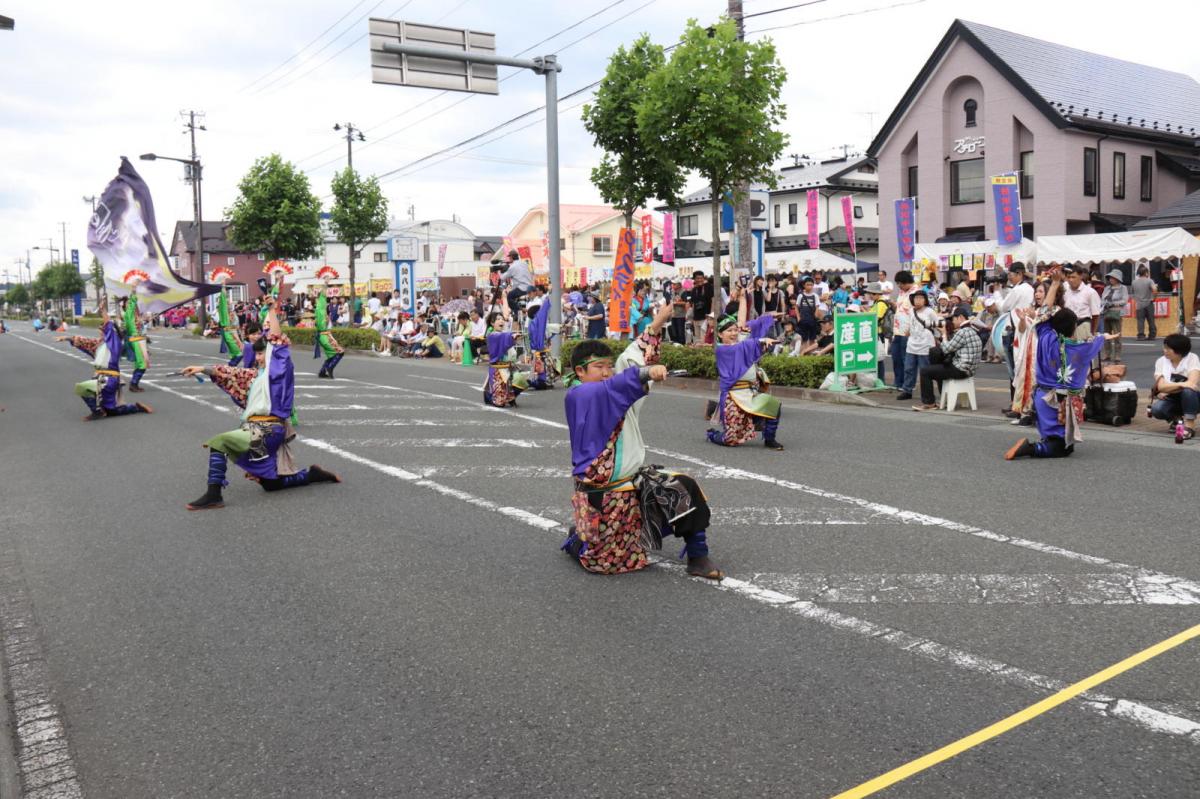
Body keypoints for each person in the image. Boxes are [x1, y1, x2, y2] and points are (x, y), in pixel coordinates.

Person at [559, 303, 723, 580]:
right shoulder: (579, 396)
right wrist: (645, 373)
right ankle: (580, 538)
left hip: (632, 483)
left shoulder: (613, 388)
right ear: (580, 371)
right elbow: (619, 383)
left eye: (609, 367)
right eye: (599, 367)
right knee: (605, 563)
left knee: (683, 486)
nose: (607, 372)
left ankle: (698, 555)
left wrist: (657, 323)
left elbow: (629, 361)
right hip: (603, 495)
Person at [180, 298, 340, 510]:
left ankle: (214, 494)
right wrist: (202, 368)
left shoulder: (279, 372)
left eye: (261, 352)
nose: (258, 357)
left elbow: (276, 340)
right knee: (271, 485)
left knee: (219, 443)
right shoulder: (256, 376)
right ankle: (310, 475)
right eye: (255, 353)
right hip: (255, 429)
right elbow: (231, 372)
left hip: (268, 430)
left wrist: (272, 310)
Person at [1004, 271, 1116, 459]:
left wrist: (1055, 284)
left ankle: (1042, 443)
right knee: (1062, 446)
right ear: (1072, 327)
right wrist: (1103, 337)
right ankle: (1031, 449)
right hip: (1058, 401)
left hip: (1040, 396)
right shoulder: (1075, 348)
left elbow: (1044, 312)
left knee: (1055, 437)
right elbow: (1092, 343)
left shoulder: (1046, 335)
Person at [707, 294, 784, 450]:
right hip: (733, 397)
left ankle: (769, 439)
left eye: (735, 330)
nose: (734, 333)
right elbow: (743, 346)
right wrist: (761, 341)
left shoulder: (741, 342)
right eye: (729, 331)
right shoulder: (722, 350)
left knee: (773, 407)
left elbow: (743, 323)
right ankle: (713, 434)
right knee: (731, 440)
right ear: (720, 334)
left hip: (751, 393)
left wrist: (744, 299)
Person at [56, 296, 152, 420]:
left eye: (102, 329)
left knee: (83, 388)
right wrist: (67, 338)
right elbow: (84, 342)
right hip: (100, 377)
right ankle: (135, 408)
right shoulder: (99, 345)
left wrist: (103, 310)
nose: (100, 331)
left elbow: (108, 324)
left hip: (109, 379)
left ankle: (97, 412)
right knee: (111, 410)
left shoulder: (114, 343)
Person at [912, 306, 983, 411]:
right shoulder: (972, 330)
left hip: (961, 369)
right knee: (937, 360)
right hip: (969, 369)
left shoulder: (963, 332)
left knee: (925, 371)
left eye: (953, 319)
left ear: (960, 317)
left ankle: (929, 403)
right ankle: (944, 398)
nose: (952, 322)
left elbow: (946, 349)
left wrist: (944, 334)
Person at [1148, 333, 1200, 441]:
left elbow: (1192, 384)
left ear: (1179, 351)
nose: (1165, 351)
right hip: (1172, 398)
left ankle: (1189, 426)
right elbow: (1161, 386)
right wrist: (1181, 384)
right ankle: (1176, 419)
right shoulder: (1161, 361)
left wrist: (1169, 388)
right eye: (1164, 347)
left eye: (1168, 349)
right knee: (1157, 409)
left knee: (1188, 391)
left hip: (1193, 398)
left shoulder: (1192, 358)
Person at [997, 263, 1034, 414]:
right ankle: (1019, 404)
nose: (1009, 277)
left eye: (1011, 274)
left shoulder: (1018, 289)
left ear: (1019, 273)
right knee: (1022, 368)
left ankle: (1015, 405)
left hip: (1014, 331)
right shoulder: (1029, 289)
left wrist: (997, 294)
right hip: (1025, 330)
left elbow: (1004, 307)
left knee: (1014, 370)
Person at [896, 288, 937, 401]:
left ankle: (926, 393)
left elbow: (938, 324)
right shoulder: (911, 311)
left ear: (925, 300)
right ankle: (907, 390)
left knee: (925, 370)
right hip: (912, 344)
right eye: (916, 298)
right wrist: (907, 331)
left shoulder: (930, 311)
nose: (918, 300)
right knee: (909, 368)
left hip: (925, 345)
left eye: (921, 298)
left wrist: (938, 337)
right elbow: (909, 323)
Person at [483, 307, 528, 407]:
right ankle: (494, 397)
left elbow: (506, 338)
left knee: (521, 380)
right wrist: (512, 336)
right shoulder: (492, 336)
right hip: (497, 370)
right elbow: (502, 337)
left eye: (502, 319)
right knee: (499, 403)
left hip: (508, 367)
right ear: (492, 323)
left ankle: (510, 397)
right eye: (498, 319)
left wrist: (514, 336)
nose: (501, 321)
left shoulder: (503, 334)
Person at [313, 277, 346, 379]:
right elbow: (323, 293)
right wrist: (326, 283)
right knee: (340, 352)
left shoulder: (320, 307)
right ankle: (329, 368)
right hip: (324, 335)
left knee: (332, 354)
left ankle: (322, 371)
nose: (327, 297)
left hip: (324, 334)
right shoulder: (320, 308)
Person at [890, 270, 916, 392]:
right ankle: (898, 382)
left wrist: (912, 329)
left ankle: (908, 384)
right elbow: (900, 307)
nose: (899, 286)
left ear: (906, 282)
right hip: (897, 330)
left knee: (907, 359)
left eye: (900, 283)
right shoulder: (901, 292)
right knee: (896, 357)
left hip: (908, 331)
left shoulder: (916, 292)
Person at [119, 291, 150, 392]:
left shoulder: (132, 316)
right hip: (135, 340)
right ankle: (133, 384)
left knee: (140, 363)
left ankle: (134, 383)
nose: (132, 305)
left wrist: (143, 322)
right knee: (142, 364)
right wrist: (133, 289)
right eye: (128, 303)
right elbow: (132, 302)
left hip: (138, 339)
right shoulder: (128, 314)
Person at [526, 293, 555, 390]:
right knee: (542, 366)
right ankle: (542, 381)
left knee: (543, 366)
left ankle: (543, 381)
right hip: (539, 349)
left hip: (540, 349)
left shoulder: (535, 323)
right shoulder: (536, 323)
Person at [214, 272, 244, 367]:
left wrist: (239, 340)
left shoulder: (230, 313)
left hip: (230, 332)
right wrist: (223, 285)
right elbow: (223, 298)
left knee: (235, 354)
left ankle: (230, 368)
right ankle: (230, 368)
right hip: (227, 333)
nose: (228, 303)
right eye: (226, 302)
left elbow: (235, 328)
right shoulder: (223, 311)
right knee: (239, 354)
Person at [1062, 267, 1101, 339]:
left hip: (1083, 327)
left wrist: (1092, 333)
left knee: (1081, 349)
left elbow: (1096, 315)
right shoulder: (1065, 292)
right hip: (1067, 328)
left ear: (1081, 276)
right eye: (1069, 277)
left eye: (1073, 277)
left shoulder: (1090, 292)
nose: (1071, 280)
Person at [1100, 269, 1129, 362]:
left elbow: (1124, 300)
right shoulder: (1107, 288)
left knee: (1117, 334)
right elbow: (1102, 299)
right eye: (1110, 277)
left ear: (1117, 278)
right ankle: (1107, 354)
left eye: (1112, 277)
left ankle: (1117, 355)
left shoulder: (1123, 288)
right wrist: (1105, 303)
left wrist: (1113, 303)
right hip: (1106, 313)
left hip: (1117, 313)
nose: (1110, 279)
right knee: (1106, 335)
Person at [498, 249, 533, 318]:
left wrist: (500, 271)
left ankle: (518, 312)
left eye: (509, 257)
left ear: (511, 257)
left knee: (509, 297)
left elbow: (502, 278)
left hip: (521, 288)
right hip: (529, 287)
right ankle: (520, 310)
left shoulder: (513, 267)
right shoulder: (524, 263)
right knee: (513, 295)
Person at [1131, 264, 1157, 340]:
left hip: (1139, 304)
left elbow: (1133, 292)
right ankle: (1152, 335)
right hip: (1148, 303)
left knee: (1140, 320)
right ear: (1146, 273)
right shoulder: (1150, 281)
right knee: (1151, 320)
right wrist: (1154, 298)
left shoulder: (1134, 282)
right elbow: (1155, 290)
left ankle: (1141, 335)